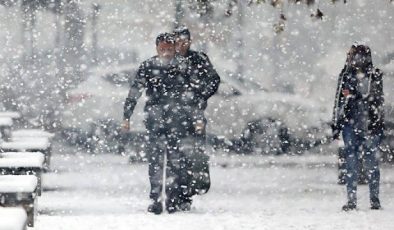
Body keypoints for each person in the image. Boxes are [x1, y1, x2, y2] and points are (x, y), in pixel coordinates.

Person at [122, 33, 191, 214]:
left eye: (169, 49)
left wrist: (194, 117)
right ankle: (157, 198)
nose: (166, 53)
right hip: (156, 119)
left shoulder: (182, 66)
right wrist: (127, 115)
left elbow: (192, 94)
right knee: (156, 161)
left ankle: (172, 198)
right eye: (163, 49)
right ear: (157, 49)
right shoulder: (149, 66)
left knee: (175, 161)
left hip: (177, 120)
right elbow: (135, 90)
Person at [171, 26, 221, 208]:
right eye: (177, 41)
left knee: (194, 155)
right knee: (173, 154)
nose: (181, 45)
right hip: (172, 116)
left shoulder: (199, 59)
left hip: (194, 115)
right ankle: (175, 191)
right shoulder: (168, 60)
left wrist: (200, 95)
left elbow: (214, 80)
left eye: (184, 41)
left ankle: (188, 192)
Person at [332, 43, 385, 211]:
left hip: (368, 124)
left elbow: (376, 100)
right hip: (352, 124)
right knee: (353, 162)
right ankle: (355, 200)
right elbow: (339, 100)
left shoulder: (373, 75)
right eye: (355, 56)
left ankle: (372, 200)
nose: (357, 60)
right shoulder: (346, 75)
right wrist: (337, 123)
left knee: (367, 163)